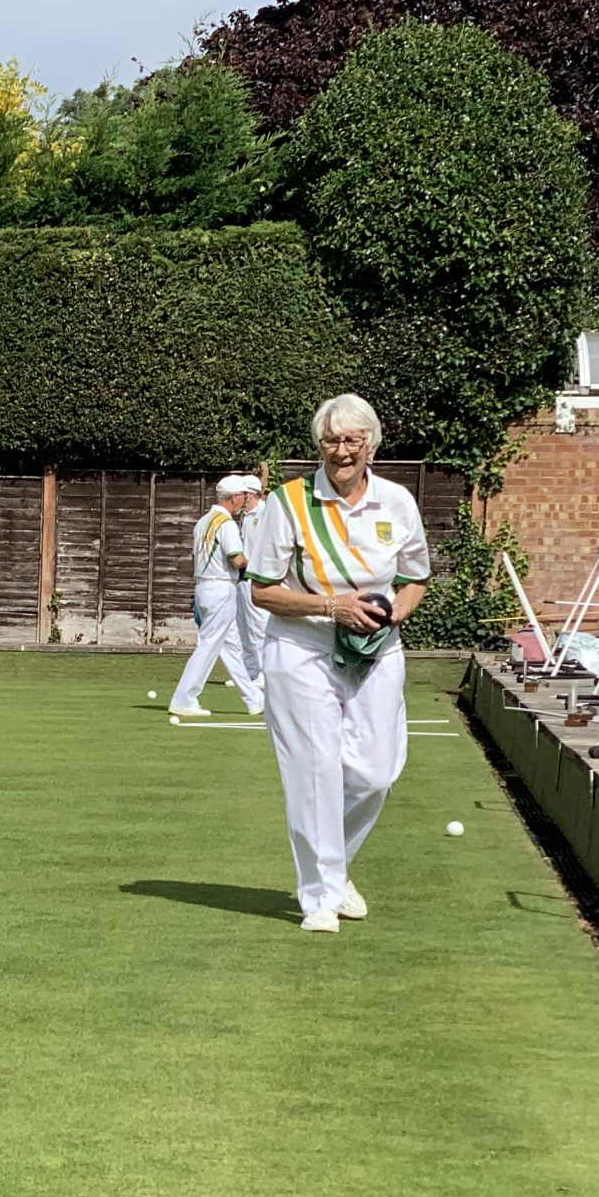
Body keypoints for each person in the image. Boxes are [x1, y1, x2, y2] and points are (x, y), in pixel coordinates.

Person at [245, 396, 429, 933]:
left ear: (371, 444)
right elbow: (262, 591)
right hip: (301, 647)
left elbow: (416, 576)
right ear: (318, 445)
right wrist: (333, 606)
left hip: (375, 649)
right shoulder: (288, 502)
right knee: (314, 772)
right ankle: (319, 897)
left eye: (352, 441)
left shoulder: (396, 501)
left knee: (374, 774)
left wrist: (395, 613)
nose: (341, 452)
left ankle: (336, 863)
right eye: (331, 441)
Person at [168, 474, 266, 718]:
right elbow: (237, 558)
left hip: (205, 587)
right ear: (234, 497)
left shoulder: (203, 521)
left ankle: (254, 699)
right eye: (243, 495)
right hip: (221, 588)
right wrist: (258, 570)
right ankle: (184, 697)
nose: (245, 499)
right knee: (209, 645)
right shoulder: (226, 524)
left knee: (231, 646)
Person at [231, 473, 267, 691]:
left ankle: (264, 672)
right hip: (242, 578)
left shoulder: (264, 514)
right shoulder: (245, 516)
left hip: (256, 578)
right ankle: (250, 670)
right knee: (244, 628)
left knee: (259, 627)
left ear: (250, 495)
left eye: (242, 494)